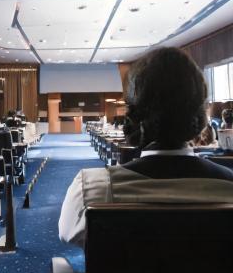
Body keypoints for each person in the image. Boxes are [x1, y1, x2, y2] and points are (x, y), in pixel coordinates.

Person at [59, 47, 233, 247]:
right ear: (199, 115)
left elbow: (68, 234)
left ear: (133, 115)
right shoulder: (228, 186)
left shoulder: (93, 189)